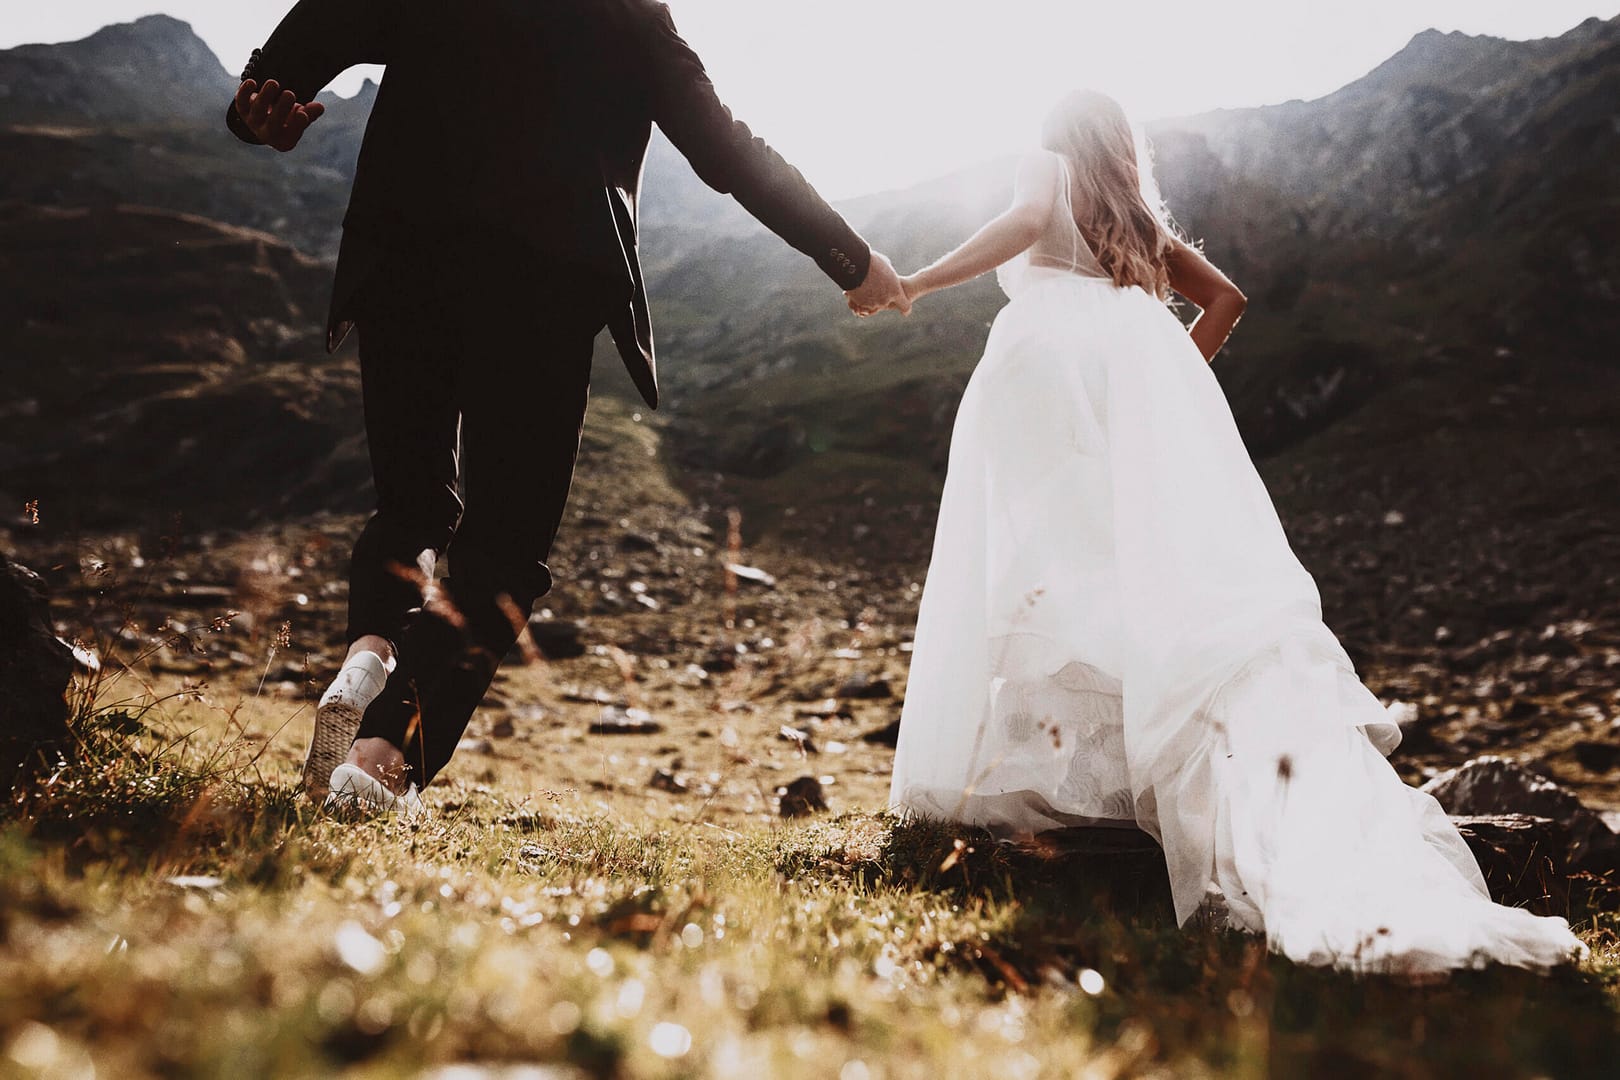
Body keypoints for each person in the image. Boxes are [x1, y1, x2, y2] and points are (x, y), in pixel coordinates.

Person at [884, 89, 1586, 972]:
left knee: (1060, 581)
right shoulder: (1133, 222)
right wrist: (1162, 388)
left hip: (1046, 384)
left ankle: (1069, 780)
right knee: (1138, 586)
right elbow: (1225, 298)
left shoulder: (1045, 170)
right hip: (1120, 392)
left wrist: (914, 281)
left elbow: (1025, 220)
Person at [225, 0, 909, 810]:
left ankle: (371, 648)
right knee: (503, 547)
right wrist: (851, 257)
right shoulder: (627, 11)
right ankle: (379, 759)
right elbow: (725, 149)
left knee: (412, 503)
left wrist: (253, 115)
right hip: (541, 286)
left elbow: (290, 61)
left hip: (401, 261)